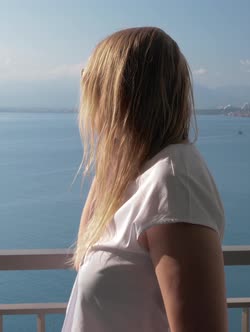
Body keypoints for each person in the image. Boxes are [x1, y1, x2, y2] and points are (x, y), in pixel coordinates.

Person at [62, 27, 227, 332]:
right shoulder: (138, 174)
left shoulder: (174, 182)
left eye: (94, 81)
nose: (87, 93)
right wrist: (115, 154)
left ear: (119, 92)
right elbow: (83, 255)